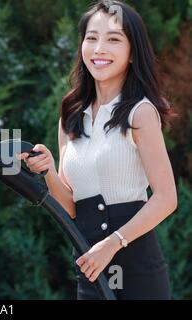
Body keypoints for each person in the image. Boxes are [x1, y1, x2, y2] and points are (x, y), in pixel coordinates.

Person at [18, 0, 177, 299]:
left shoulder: (140, 113)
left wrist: (112, 243)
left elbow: (167, 198)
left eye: (113, 39)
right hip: (90, 268)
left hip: (137, 271)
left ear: (132, 53)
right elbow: (71, 206)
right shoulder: (70, 116)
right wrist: (50, 170)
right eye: (91, 38)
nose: (99, 48)